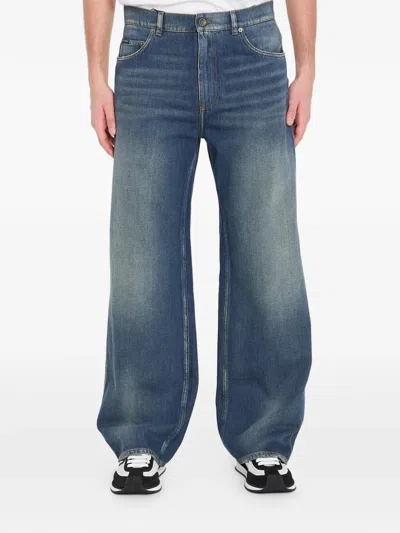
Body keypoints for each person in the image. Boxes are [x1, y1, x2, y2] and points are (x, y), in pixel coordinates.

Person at [83, 0, 315, 494]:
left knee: (268, 253)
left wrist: (308, 66)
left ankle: (265, 436)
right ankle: (139, 434)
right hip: (149, 52)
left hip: (253, 49)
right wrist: (96, 77)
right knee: (141, 255)